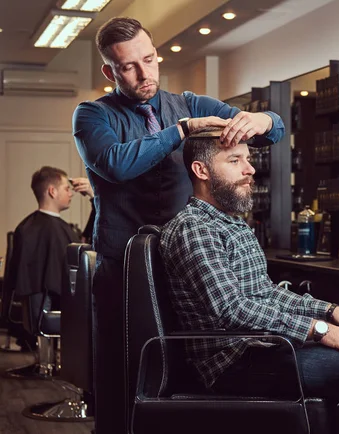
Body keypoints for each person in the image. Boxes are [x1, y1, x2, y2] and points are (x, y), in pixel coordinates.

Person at [72, 17, 285, 434]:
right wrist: (180, 131)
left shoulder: (189, 101)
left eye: (148, 60)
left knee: (184, 379)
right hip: (124, 272)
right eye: (128, 66)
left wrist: (262, 121)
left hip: (184, 269)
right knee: (122, 382)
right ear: (109, 71)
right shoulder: (92, 116)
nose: (143, 73)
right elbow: (116, 164)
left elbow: (270, 129)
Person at [160, 129, 339, 434]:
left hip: (262, 344)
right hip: (234, 361)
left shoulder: (231, 223)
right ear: (201, 170)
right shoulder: (194, 228)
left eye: (248, 159)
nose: (250, 169)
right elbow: (231, 308)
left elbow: (264, 293)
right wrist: (317, 330)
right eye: (235, 160)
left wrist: (330, 311)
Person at [5, 167, 93, 348]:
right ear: (52, 191)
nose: (71, 193)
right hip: (52, 303)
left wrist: (94, 198)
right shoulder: (37, 229)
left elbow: (86, 240)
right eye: (66, 189)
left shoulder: (31, 227)